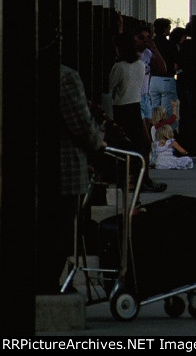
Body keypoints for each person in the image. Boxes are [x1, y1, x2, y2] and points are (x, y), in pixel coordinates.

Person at [55, 65, 107, 292]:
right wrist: (99, 142)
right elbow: (81, 124)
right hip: (64, 170)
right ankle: (49, 281)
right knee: (62, 230)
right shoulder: (64, 77)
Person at [110, 33, 166, 193]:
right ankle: (141, 179)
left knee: (123, 146)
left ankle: (129, 180)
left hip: (121, 107)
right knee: (142, 143)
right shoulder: (141, 66)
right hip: (136, 106)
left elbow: (111, 86)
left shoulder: (119, 67)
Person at [150, 18, 179, 132]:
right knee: (167, 110)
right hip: (167, 80)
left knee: (155, 110)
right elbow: (176, 65)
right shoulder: (169, 44)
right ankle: (167, 135)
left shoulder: (151, 43)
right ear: (165, 29)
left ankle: (154, 134)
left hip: (153, 80)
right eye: (168, 27)